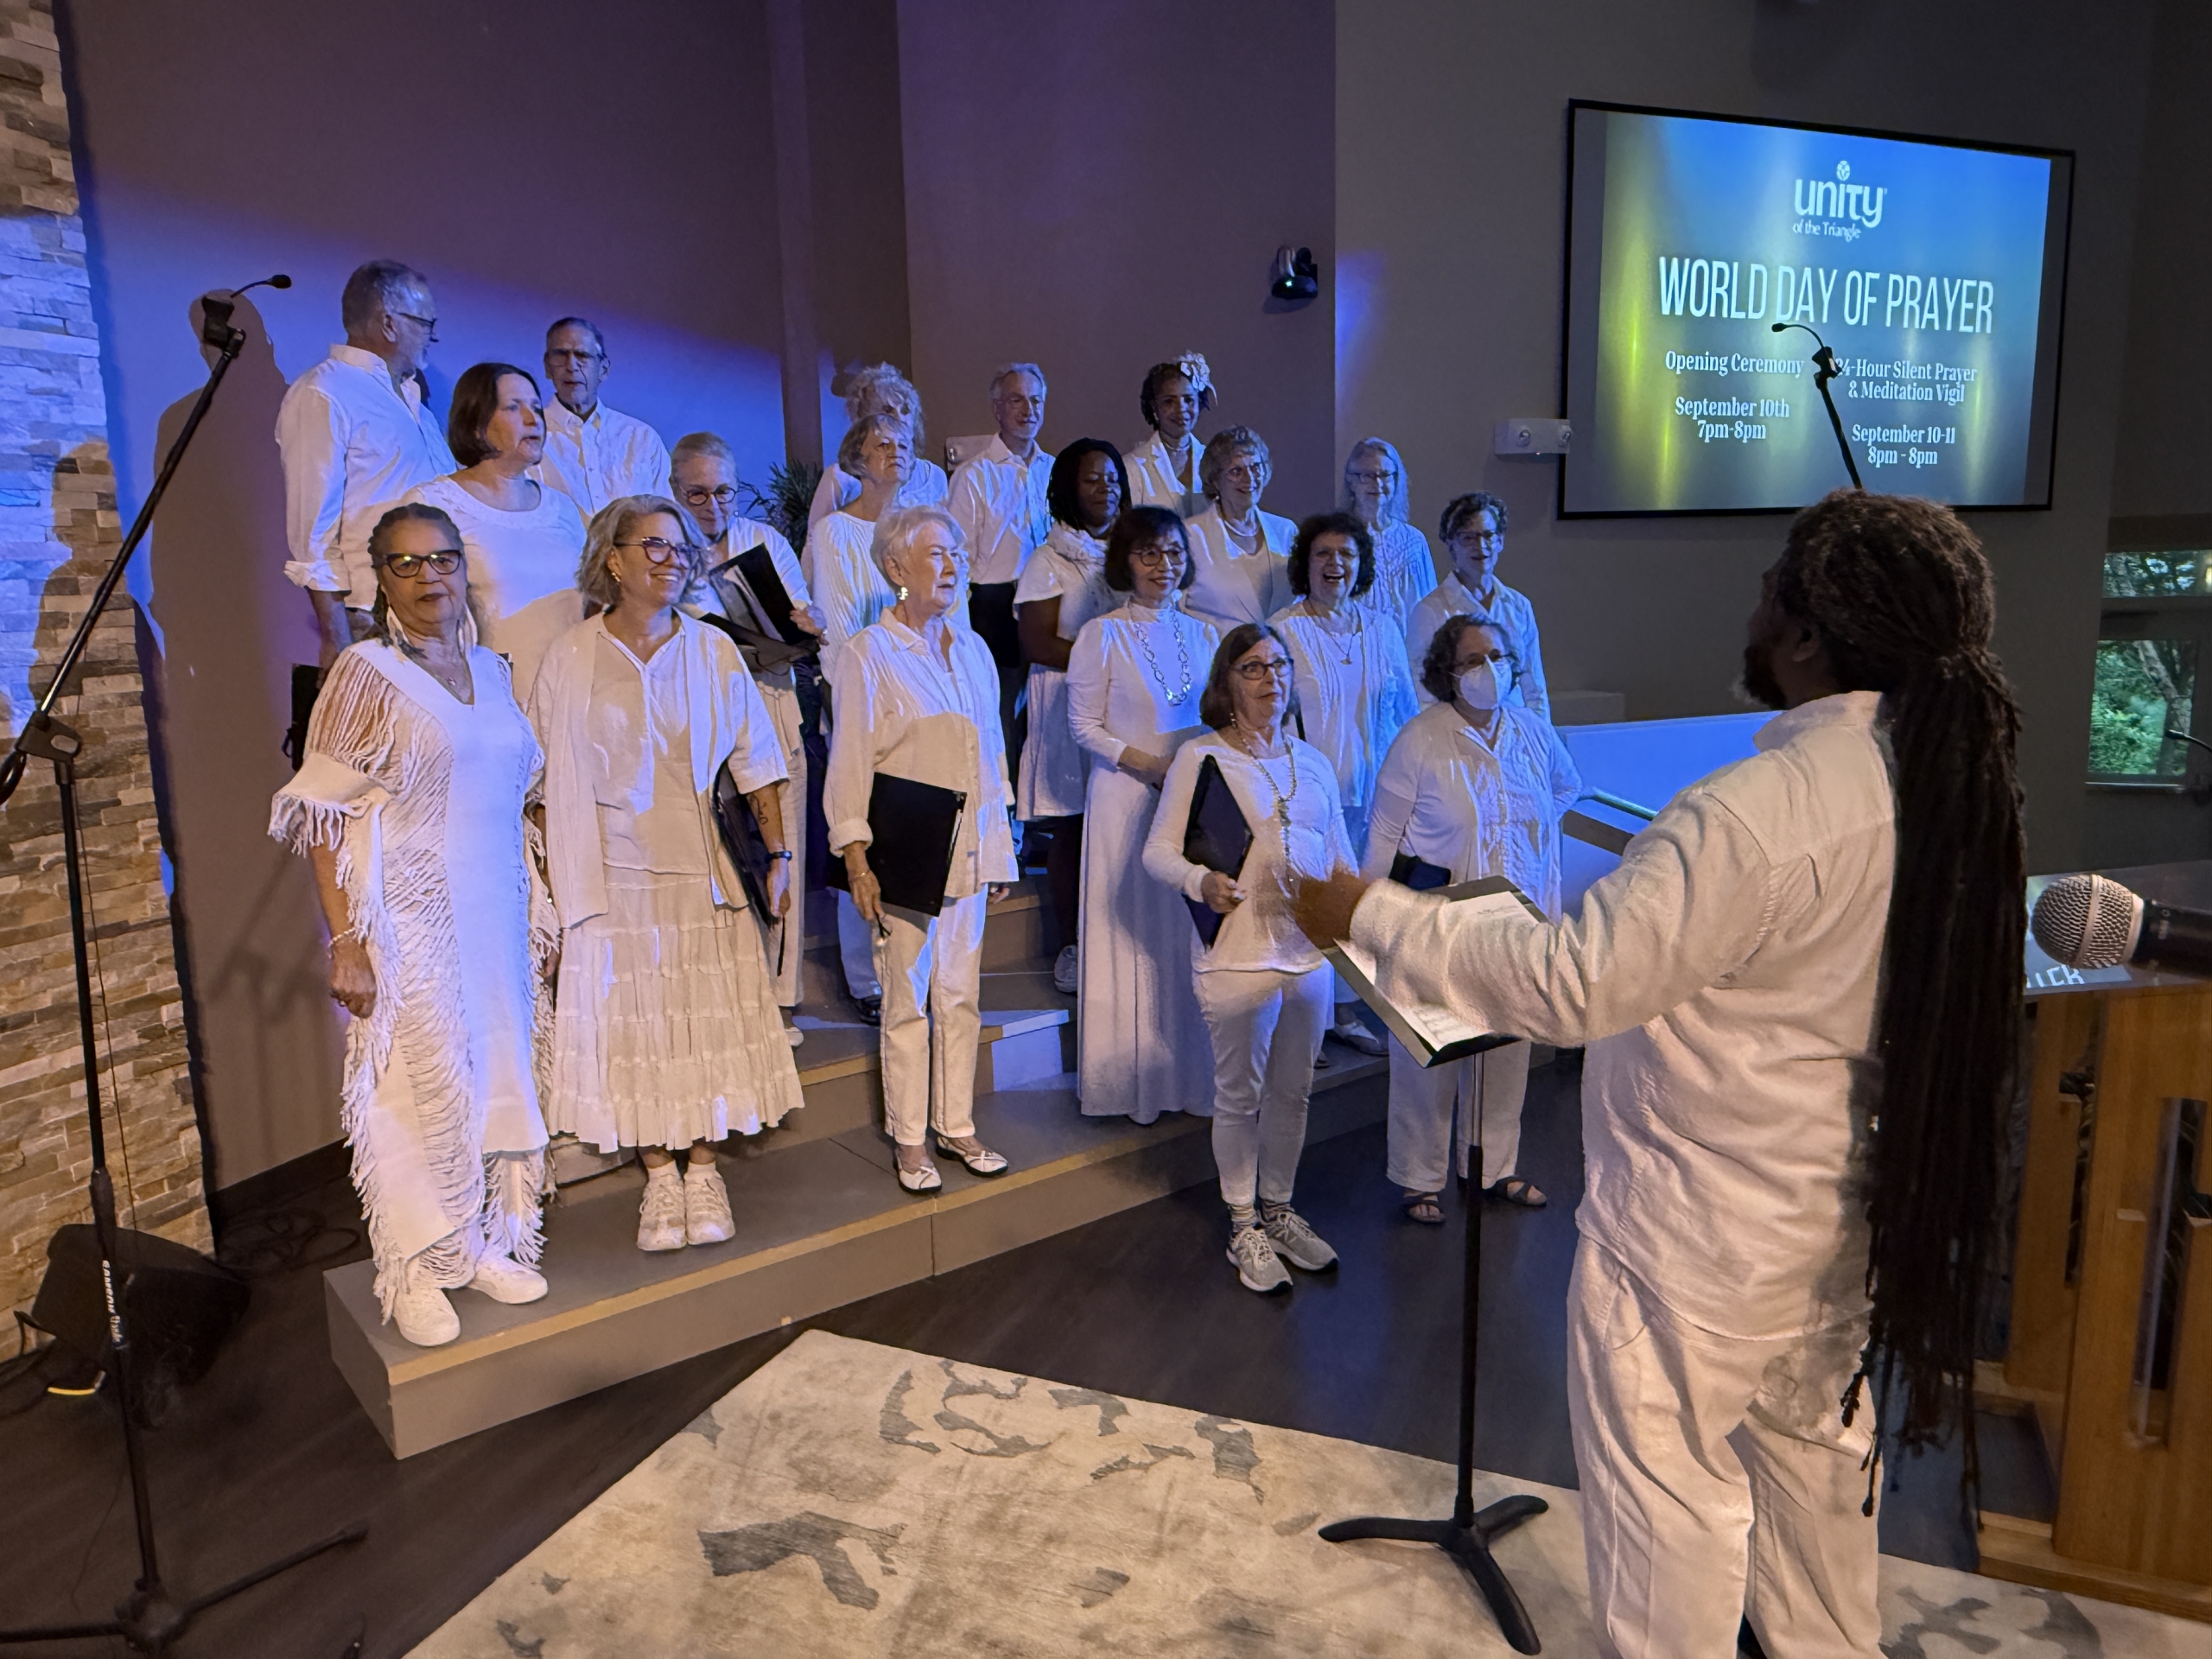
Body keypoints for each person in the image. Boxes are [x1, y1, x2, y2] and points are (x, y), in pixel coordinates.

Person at [1294, 492, 2028, 1659]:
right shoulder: (1930, 793)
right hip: (1828, 1215)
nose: (1748, 611)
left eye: (1766, 592)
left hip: (1695, 1232)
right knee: (1813, 1485)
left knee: (1670, 1507)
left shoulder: (1750, 815)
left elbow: (1568, 981)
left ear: (1802, 634)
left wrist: (1372, 915)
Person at [270, 503, 549, 1348]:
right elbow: (321, 816)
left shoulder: (493, 670)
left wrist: (542, 895)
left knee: (498, 1071)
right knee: (415, 1083)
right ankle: (416, 1265)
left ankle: (483, 1241)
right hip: (411, 915)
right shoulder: (363, 672)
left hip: (496, 912)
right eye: (406, 564)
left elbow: (518, 796)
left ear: (464, 567)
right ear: (381, 580)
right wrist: (346, 938)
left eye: (442, 560)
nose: (430, 578)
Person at [531, 495, 804, 1253]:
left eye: (680, 548)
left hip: (704, 874)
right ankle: (658, 1177)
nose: (671, 559)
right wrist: (550, 887)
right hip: (610, 879)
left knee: (704, 1024)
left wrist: (779, 859)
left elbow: (758, 763)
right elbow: (544, 782)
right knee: (633, 1030)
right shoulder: (570, 655)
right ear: (612, 559)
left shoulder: (713, 651)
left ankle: (704, 1170)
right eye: (653, 545)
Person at [1144, 624, 1351, 1294]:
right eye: (1254, 667)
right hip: (1238, 957)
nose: (1271, 678)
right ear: (1227, 683)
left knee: (1293, 1094)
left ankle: (1281, 1210)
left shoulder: (1313, 761)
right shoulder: (1200, 759)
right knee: (1240, 1096)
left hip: (1306, 959)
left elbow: (1342, 860)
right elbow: (1158, 852)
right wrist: (1197, 882)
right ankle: (1242, 1225)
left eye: (1280, 665)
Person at [825, 506, 1017, 1193]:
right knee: (906, 996)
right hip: (906, 845)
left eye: (958, 553)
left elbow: (991, 754)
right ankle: (910, 1138)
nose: (952, 565)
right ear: (896, 569)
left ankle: (956, 1123)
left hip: (969, 848)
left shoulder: (972, 649)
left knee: (960, 994)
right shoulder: (869, 653)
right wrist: (855, 854)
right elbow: (848, 762)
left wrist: (1001, 846)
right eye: (936, 554)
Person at [1365, 614, 1579, 1224]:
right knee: (1430, 1056)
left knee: (1509, 1047)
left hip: (1519, 923)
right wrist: (1370, 915)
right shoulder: (1422, 738)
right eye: (1473, 659)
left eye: (1498, 655)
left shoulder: (1533, 732)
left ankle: (1493, 1166)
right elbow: (1384, 830)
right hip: (1441, 924)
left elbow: (1566, 787)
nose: (1489, 668)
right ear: (1448, 672)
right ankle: (1419, 1177)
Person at [1065, 506, 1217, 1123]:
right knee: (1131, 929)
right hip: (1124, 796)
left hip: (1190, 802)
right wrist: (1149, 764)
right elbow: (1082, 726)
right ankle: (1130, 1086)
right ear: (1125, 561)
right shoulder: (1102, 635)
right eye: (1149, 553)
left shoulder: (1207, 635)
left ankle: (1188, 1077)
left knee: (1184, 935)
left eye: (1174, 553)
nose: (1163, 566)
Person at [671, 430, 824, 1029]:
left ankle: (779, 999)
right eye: (699, 494)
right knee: (721, 858)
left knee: (781, 851)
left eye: (725, 492)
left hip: (770, 705)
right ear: (674, 491)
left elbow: (798, 633)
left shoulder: (764, 540)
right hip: (699, 722)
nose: (713, 507)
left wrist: (804, 630)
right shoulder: (665, 545)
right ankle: (727, 998)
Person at [1270, 512, 1417, 1054]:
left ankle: (1355, 1007)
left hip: (1380, 796)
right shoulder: (1286, 628)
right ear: (1305, 565)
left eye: (1347, 555)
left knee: (1368, 902)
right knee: (1316, 900)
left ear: (1362, 565)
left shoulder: (1383, 628)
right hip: (1316, 794)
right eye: (1324, 555)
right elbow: (1279, 719)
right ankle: (1314, 1018)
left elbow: (1405, 712)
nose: (1336, 565)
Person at [277, 260, 455, 668]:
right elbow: (313, 532)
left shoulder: (414, 403)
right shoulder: (325, 393)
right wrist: (335, 638)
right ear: (389, 324)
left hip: (438, 607)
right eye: (427, 323)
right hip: (377, 618)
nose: (433, 337)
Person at [401, 362, 587, 702]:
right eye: (514, 408)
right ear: (476, 425)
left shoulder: (563, 509)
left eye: (535, 407)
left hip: (571, 699)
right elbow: (416, 623)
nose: (534, 420)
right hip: (489, 703)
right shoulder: (434, 505)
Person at [809, 412, 912, 1022]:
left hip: (916, 705)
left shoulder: (918, 529)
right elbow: (838, 629)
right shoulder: (835, 534)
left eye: (902, 444)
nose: (894, 453)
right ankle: (864, 977)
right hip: (858, 700)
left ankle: (904, 963)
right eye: (881, 445)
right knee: (859, 832)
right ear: (857, 458)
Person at [1014, 439, 1127, 995]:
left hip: (1124, 705)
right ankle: (1073, 944)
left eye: (1112, 478)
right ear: (1067, 488)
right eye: (1091, 479)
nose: (1105, 489)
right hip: (1068, 702)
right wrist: (1106, 664)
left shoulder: (1135, 554)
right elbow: (1037, 641)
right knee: (1076, 827)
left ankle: (1121, 940)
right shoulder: (1049, 558)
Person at [948, 363, 1053, 762]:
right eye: (1016, 400)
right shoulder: (974, 476)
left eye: (1036, 400)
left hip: (1046, 601)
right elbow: (957, 560)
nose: (1028, 409)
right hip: (994, 607)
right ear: (997, 408)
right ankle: (1006, 814)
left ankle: (1040, 808)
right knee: (1003, 712)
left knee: (1045, 710)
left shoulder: (1054, 470)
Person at [1408, 492, 1550, 721]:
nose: (1480, 546)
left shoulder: (1519, 607)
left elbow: (1535, 689)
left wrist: (1542, 741)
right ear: (1451, 545)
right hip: (1459, 735)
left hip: (1515, 733)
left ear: (1500, 541)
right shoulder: (1430, 611)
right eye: (1468, 538)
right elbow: (1424, 694)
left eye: (1488, 535)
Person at [537, 318, 672, 518]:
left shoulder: (641, 438)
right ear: (548, 367)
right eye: (561, 355)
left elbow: (667, 517)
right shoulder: (530, 437)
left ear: (603, 369)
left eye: (582, 355)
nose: (571, 366)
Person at [808, 363, 950, 527]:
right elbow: (814, 542)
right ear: (864, 418)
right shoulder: (840, 478)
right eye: (887, 410)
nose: (900, 418)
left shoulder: (933, 477)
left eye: (905, 410)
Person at [1184, 426, 1294, 635]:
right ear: (1215, 479)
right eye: (1236, 471)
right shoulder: (1190, 535)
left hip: (1277, 660)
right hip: (1216, 659)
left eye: (1256, 467)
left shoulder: (1286, 531)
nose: (1249, 478)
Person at [1344, 437, 1437, 625]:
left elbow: (1430, 608)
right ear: (1352, 481)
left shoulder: (1414, 541)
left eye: (1385, 475)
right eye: (1368, 475)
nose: (1377, 484)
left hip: (1406, 649)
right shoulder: (1336, 537)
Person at [1126, 353, 1214, 518]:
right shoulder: (1134, 466)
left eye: (1188, 400)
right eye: (1169, 402)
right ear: (1154, 408)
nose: (1181, 410)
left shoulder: (1213, 462)